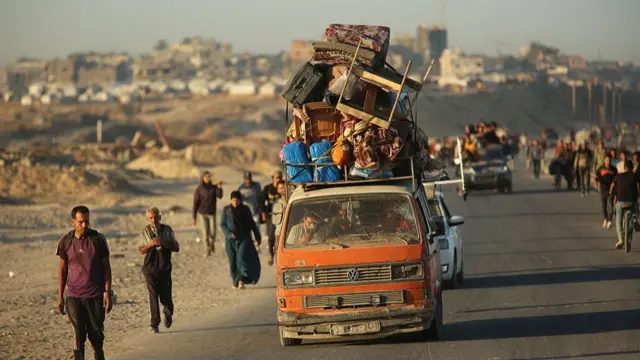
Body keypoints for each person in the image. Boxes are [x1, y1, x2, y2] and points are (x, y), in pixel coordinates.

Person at [56, 206, 112, 360]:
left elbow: (107, 268)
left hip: (95, 295)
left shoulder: (98, 240)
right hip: (74, 295)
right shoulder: (65, 242)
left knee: (96, 335)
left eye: (87, 221)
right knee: (78, 334)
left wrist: (107, 292)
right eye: (81, 222)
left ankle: (98, 354)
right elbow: (62, 269)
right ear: (73, 221)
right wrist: (60, 296)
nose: (84, 226)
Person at [138, 207, 180, 333]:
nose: (154, 220)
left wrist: (164, 243)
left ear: (160, 217)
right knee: (152, 294)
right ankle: (154, 323)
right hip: (150, 267)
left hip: (164, 266)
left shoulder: (167, 230)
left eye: (156, 217)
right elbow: (141, 250)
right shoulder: (145, 231)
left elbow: (176, 247)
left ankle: (168, 313)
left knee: (165, 294)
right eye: (151, 218)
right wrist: (150, 244)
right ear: (147, 219)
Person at [221, 191, 262, 289]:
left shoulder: (245, 209)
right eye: (233, 200)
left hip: (244, 238)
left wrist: (257, 236)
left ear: (240, 200)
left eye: (237, 200)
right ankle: (235, 281)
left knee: (240, 259)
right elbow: (222, 224)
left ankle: (240, 281)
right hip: (230, 240)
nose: (235, 202)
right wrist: (229, 234)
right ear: (231, 200)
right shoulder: (226, 210)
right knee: (232, 261)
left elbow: (252, 224)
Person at [610, 160, 639, 249]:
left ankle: (620, 239)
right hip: (631, 202)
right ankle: (635, 219)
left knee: (618, 218)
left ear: (624, 168)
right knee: (636, 206)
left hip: (621, 202)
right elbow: (638, 187)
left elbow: (612, 186)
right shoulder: (635, 176)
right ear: (632, 168)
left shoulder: (618, 176)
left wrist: (611, 192)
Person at [193, 171, 223, 256]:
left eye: (209, 177)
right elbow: (195, 203)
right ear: (203, 178)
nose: (208, 178)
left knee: (213, 232)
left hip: (212, 213)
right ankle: (207, 250)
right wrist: (194, 217)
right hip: (202, 213)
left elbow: (220, 196)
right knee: (205, 233)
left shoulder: (213, 187)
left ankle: (212, 244)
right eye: (206, 177)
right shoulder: (199, 189)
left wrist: (219, 187)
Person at [261, 171, 282, 266]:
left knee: (281, 236)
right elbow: (261, 201)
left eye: (279, 178)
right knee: (270, 236)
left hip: (282, 215)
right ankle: (270, 254)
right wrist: (263, 213)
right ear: (273, 178)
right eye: (276, 178)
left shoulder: (283, 187)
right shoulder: (267, 189)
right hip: (270, 216)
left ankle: (279, 255)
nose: (278, 179)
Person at [595, 155, 617, 228]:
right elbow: (596, 178)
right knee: (603, 206)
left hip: (611, 190)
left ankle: (610, 220)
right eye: (607, 160)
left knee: (610, 205)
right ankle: (605, 219)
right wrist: (596, 186)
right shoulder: (600, 169)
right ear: (604, 160)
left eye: (609, 160)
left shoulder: (614, 169)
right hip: (603, 189)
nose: (608, 161)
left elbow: (617, 179)